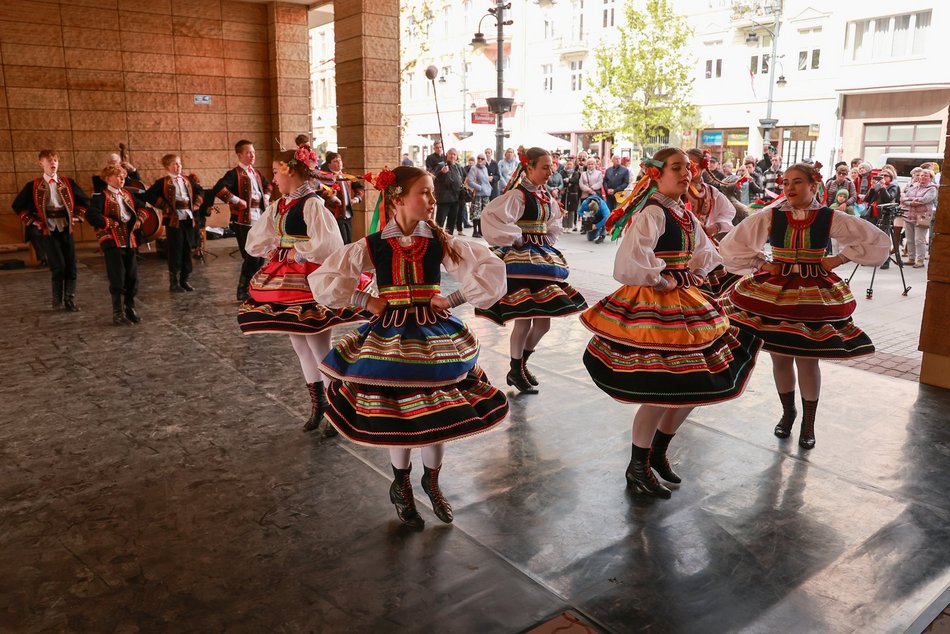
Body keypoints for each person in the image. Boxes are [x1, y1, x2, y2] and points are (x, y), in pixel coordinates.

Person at [308, 166, 509, 529]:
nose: (433, 200)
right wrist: (365, 301)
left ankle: (431, 482)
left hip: (435, 337)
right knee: (396, 412)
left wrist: (454, 298)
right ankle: (401, 484)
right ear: (398, 198)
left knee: (438, 413)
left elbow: (490, 270)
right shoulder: (374, 244)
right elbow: (325, 278)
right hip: (390, 337)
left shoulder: (440, 240)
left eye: (432, 193)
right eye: (426, 192)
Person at [580, 147, 761, 498]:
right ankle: (637, 465)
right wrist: (665, 280)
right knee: (661, 390)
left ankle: (657, 452)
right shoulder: (654, 212)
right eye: (676, 168)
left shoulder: (683, 214)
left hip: (685, 303)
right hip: (655, 305)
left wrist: (703, 270)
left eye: (688, 168)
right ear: (656, 174)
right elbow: (630, 263)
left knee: (694, 386)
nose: (686, 173)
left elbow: (706, 252)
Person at [719, 162, 890, 449]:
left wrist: (839, 259)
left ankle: (808, 423)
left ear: (814, 185)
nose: (789, 188)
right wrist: (762, 262)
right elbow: (733, 245)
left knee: (808, 361)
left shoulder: (829, 217)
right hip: (775, 292)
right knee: (780, 357)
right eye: (785, 183)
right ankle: (788, 413)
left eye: (797, 182)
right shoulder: (771, 215)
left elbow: (878, 241)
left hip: (813, 292)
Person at [238, 145, 367, 434]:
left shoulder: (312, 204)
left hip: (311, 278)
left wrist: (298, 250)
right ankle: (318, 403)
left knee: (319, 345)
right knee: (299, 345)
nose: (273, 179)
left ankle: (338, 408)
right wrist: (275, 246)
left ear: (290, 171)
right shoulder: (280, 204)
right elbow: (258, 238)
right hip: (287, 277)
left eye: (275, 172)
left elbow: (328, 244)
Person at [477, 147, 588, 393]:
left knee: (543, 324)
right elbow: (491, 216)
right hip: (522, 261)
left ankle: (520, 365)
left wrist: (547, 235)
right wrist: (515, 237)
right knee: (524, 321)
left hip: (541, 257)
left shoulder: (544, 196)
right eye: (544, 167)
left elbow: (554, 223)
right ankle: (517, 369)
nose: (550, 171)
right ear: (529, 168)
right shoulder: (518, 196)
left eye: (551, 166)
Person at [12, 149, 90, 311]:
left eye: (55, 160)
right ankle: (57, 300)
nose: (53, 163)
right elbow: (17, 206)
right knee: (58, 265)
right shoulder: (33, 186)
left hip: (66, 228)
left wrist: (77, 216)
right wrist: (33, 221)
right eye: (49, 161)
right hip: (47, 229)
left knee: (71, 265)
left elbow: (84, 201)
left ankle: (69, 299)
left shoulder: (67, 183)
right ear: (41, 164)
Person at [85, 165, 149, 326]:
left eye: (123, 176)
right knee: (117, 277)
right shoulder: (100, 197)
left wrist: (139, 220)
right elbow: (92, 215)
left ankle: (130, 308)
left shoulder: (128, 194)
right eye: (118, 176)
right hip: (112, 240)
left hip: (129, 239)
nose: (122, 179)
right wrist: (109, 223)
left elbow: (143, 207)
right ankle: (117, 313)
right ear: (108, 179)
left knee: (132, 277)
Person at [214, 139, 271, 301]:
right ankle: (242, 289)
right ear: (239, 155)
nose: (252, 155)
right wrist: (236, 200)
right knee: (251, 255)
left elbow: (268, 185)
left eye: (253, 152)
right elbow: (218, 188)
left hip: (259, 217)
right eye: (248, 152)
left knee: (261, 255)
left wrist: (266, 196)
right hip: (243, 221)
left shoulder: (256, 173)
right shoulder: (234, 174)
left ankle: (253, 287)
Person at [145, 154, 204, 292]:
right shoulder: (163, 182)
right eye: (175, 164)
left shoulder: (187, 180)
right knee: (175, 250)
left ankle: (185, 279)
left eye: (179, 163)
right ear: (167, 167)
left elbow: (200, 190)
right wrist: (165, 207)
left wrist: (197, 203)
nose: (178, 166)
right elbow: (149, 195)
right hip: (174, 221)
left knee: (187, 248)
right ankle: (174, 282)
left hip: (188, 218)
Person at [685, 149, 736, 240]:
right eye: (685, 165)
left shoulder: (711, 192)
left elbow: (728, 211)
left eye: (692, 165)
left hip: (702, 241)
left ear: (703, 166)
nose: (687, 169)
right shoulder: (676, 188)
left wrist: (716, 227)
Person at [322, 151, 364, 244]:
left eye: (340, 160)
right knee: (341, 242)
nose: (339, 163)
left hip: (347, 214)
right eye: (335, 161)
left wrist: (356, 199)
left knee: (349, 241)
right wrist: (332, 198)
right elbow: (321, 192)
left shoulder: (346, 175)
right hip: (335, 214)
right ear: (329, 164)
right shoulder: (326, 177)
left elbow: (359, 187)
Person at [901, 168, 937, 268]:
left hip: (922, 217)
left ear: (930, 178)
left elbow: (926, 199)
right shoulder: (914, 186)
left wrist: (910, 200)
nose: (922, 177)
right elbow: (903, 198)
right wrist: (911, 202)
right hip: (909, 215)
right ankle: (911, 259)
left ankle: (920, 260)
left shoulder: (932, 188)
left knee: (919, 240)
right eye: (921, 175)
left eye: (926, 175)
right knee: (910, 239)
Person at [433, 148, 466, 235]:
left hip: (456, 198)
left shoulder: (458, 167)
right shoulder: (441, 165)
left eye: (454, 154)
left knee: (451, 222)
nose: (452, 156)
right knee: (440, 222)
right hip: (444, 199)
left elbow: (462, 178)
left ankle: (449, 239)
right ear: (447, 155)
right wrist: (442, 172)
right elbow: (434, 179)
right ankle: (437, 238)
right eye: (450, 154)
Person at [466, 154, 492, 238]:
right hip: (478, 194)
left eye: (482, 158)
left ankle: (481, 231)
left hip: (486, 194)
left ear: (485, 161)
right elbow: (470, 181)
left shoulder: (485, 168)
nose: (480, 160)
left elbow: (486, 181)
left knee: (484, 213)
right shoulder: (474, 168)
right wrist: (480, 188)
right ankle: (475, 231)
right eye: (478, 158)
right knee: (476, 213)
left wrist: (489, 188)